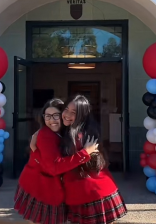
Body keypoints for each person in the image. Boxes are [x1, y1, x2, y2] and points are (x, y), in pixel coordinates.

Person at [14, 98, 98, 224]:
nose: (51, 120)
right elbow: (54, 167)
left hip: (51, 187)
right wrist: (85, 153)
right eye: (47, 116)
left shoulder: (64, 132)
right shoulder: (45, 135)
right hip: (41, 187)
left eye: (56, 115)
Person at [60, 94, 128, 224]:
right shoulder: (84, 131)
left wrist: (84, 153)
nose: (67, 114)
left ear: (82, 116)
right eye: (66, 109)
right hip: (95, 190)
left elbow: (68, 165)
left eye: (73, 112)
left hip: (87, 193)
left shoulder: (77, 136)